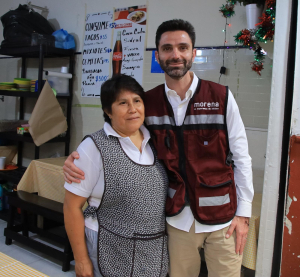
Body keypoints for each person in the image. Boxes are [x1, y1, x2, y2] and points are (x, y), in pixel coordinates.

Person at [64, 19, 253, 277]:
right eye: (167, 48)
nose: (175, 54)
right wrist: (78, 157)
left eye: (183, 47)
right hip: (176, 222)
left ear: (193, 52)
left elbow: (242, 157)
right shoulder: (147, 102)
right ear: (158, 54)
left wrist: (244, 213)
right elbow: (116, 134)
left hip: (223, 220)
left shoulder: (221, 97)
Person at [63, 74, 169, 277]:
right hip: (108, 246)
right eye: (123, 103)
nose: (133, 109)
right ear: (107, 111)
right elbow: (71, 206)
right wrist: (82, 260)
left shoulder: (155, 141)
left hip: (154, 249)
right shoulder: (93, 147)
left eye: (137, 100)